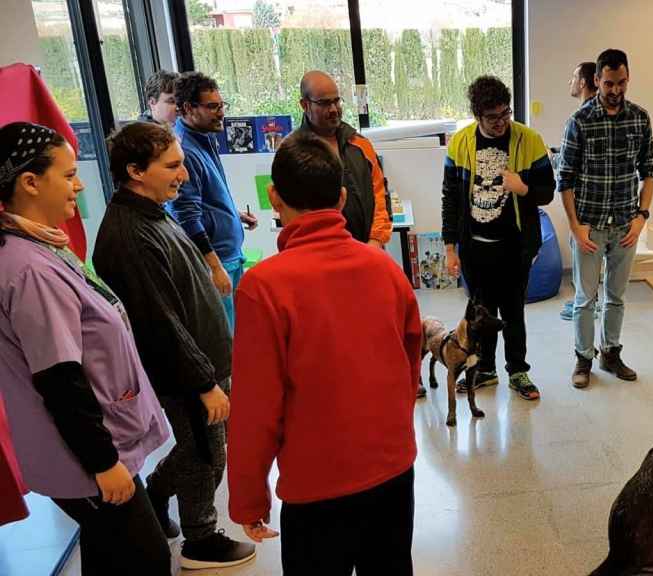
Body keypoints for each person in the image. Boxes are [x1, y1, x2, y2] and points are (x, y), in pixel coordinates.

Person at [227, 134, 421, 575]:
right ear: (342, 198)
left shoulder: (264, 287)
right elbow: (409, 369)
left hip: (317, 486)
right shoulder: (386, 271)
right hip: (392, 472)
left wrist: (248, 495)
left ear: (275, 198)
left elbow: (257, 407)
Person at [0, 122, 171, 575]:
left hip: (91, 447)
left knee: (110, 553)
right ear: (30, 182)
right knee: (145, 560)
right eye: (69, 173)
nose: (79, 184)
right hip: (84, 457)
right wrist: (104, 461)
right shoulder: (30, 271)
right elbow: (58, 376)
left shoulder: (39, 248)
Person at [93, 122, 256, 569]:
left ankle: (157, 499)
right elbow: (159, 322)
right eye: (173, 166)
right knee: (205, 453)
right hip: (185, 370)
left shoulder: (152, 212)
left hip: (201, 358)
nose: (183, 174)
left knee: (201, 447)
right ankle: (200, 538)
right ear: (135, 171)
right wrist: (204, 382)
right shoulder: (129, 235)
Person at [441, 75, 555, 400]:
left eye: (506, 113)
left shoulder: (528, 140)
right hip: (475, 248)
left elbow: (548, 191)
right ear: (477, 115)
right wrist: (451, 247)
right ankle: (485, 370)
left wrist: (524, 189)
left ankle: (518, 371)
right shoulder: (460, 143)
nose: (502, 122)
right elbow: (450, 197)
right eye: (493, 117)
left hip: (515, 248)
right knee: (480, 314)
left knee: (513, 312)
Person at [557, 48, 653, 389]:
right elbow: (565, 179)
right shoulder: (579, 121)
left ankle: (610, 353)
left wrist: (642, 216)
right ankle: (583, 359)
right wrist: (575, 225)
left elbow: (649, 170)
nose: (616, 90)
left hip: (625, 225)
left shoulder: (640, 118)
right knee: (586, 298)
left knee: (616, 296)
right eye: (610, 83)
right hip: (589, 226)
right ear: (597, 80)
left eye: (622, 82)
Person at [169, 71, 258, 333]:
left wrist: (233, 214)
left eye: (222, 105)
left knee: (240, 338)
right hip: (215, 263)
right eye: (212, 107)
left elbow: (203, 200)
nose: (221, 113)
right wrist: (215, 267)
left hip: (229, 257)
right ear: (187, 108)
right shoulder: (184, 150)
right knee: (226, 342)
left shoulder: (204, 139)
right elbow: (185, 215)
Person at [295, 70, 391, 248]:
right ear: (304, 105)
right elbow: (293, 215)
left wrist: (375, 240)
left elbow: (380, 195)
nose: (333, 109)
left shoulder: (360, 145)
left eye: (336, 101)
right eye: (324, 103)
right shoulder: (294, 153)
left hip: (369, 249)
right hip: (321, 255)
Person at [559, 61, 599, 322]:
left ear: (584, 82)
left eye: (574, 77)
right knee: (582, 258)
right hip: (584, 205)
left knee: (586, 258)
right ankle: (584, 300)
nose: (570, 82)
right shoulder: (581, 116)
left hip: (587, 207)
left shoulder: (585, 116)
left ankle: (587, 303)